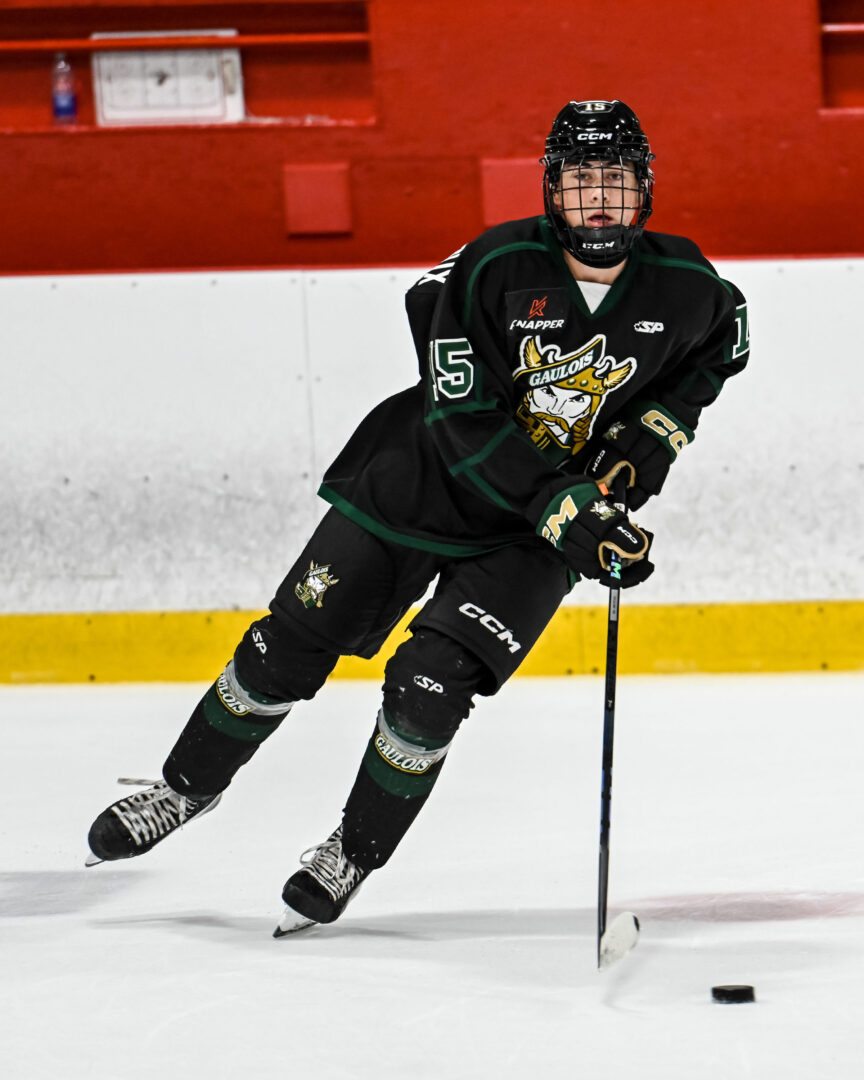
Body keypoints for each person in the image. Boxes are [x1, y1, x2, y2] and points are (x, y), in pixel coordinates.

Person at [86, 99, 749, 935]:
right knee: (282, 649)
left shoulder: (686, 285)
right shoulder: (490, 269)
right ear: (552, 190)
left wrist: (641, 449)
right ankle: (183, 789)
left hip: (531, 534)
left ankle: (351, 853)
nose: (601, 204)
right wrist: (562, 501)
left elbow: (724, 346)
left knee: (429, 690)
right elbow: (461, 417)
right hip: (419, 482)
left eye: (616, 182)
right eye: (583, 183)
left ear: (646, 190)